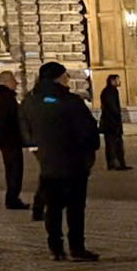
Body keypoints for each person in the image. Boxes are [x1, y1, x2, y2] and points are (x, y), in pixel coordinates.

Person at [31, 61, 100, 260]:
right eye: (65, 75)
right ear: (59, 77)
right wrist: (89, 150)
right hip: (73, 161)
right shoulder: (71, 101)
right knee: (75, 207)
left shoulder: (34, 100)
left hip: (49, 161)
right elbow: (87, 130)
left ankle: (56, 248)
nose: (67, 78)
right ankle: (77, 248)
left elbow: (27, 126)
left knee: (53, 207)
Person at [0, 71, 30, 210]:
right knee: (14, 170)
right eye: (13, 80)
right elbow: (10, 120)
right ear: (6, 82)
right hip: (10, 140)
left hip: (7, 140)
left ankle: (13, 197)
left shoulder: (2, 96)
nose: (16, 83)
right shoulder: (5, 97)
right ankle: (12, 198)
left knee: (13, 169)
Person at [99, 73, 129, 171]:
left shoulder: (111, 91)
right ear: (112, 81)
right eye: (117, 80)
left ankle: (117, 163)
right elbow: (112, 107)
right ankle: (115, 163)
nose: (119, 82)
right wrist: (116, 120)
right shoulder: (109, 92)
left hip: (112, 121)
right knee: (113, 143)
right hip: (111, 122)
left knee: (115, 142)